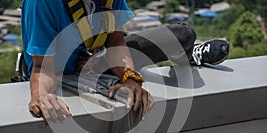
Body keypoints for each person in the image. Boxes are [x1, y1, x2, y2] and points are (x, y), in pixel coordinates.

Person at [21, 0, 229, 122]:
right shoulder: (42, 3)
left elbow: (115, 41)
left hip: (96, 62)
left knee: (182, 34)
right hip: (56, 71)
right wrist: (41, 94)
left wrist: (130, 78)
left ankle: (187, 54)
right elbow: (41, 67)